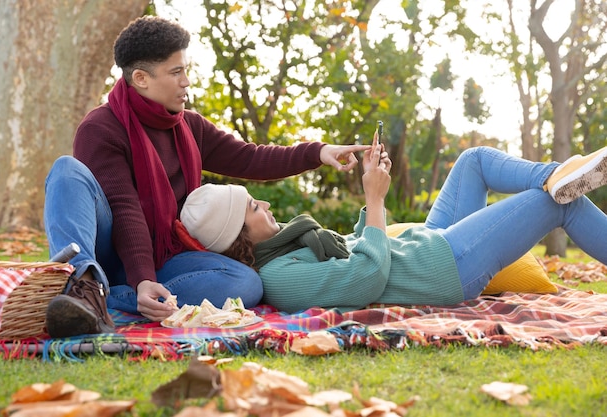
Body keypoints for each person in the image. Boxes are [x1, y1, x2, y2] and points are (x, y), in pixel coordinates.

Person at [43, 16, 369, 338]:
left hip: (164, 256)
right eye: (176, 72)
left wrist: (318, 153)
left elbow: (250, 158)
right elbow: (126, 208)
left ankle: (108, 299)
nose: (186, 81)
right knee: (67, 171)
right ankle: (84, 285)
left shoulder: (190, 126)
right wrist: (141, 277)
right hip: (108, 249)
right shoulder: (101, 128)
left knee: (245, 283)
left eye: (186, 69)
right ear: (141, 78)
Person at [180, 138, 607, 313]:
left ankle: (557, 173)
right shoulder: (278, 277)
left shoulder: (289, 243)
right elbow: (366, 276)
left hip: (427, 245)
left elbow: (356, 244)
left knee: (473, 161)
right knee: (556, 204)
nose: (267, 203)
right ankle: (560, 179)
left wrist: (373, 198)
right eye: (254, 206)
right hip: (445, 268)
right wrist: (375, 198)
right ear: (238, 234)